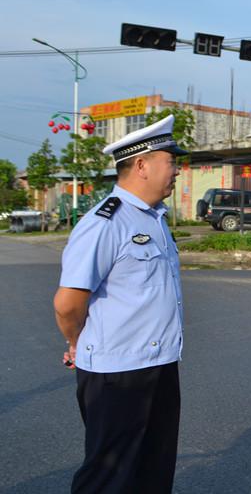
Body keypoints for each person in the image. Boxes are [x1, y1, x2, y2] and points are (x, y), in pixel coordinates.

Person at [54, 115, 188, 494]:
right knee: (108, 477)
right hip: (117, 373)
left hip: (158, 365)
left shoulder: (155, 219)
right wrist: (77, 342)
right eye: (171, 160)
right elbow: (68, 304)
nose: (176, 169)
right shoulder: (105, 223)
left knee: (153, 470)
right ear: (142, 164)